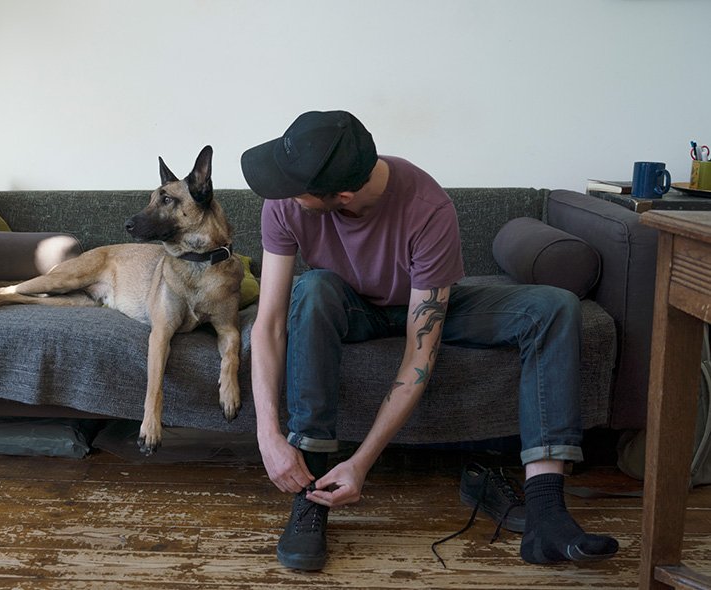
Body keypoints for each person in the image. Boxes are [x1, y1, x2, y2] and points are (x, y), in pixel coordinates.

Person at [239, 110, 619, 571]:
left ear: (341, 196)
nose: (284, 194)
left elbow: (419, 354)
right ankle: (312, 493)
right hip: (348, 306)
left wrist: (362, 463)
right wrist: (268, 434)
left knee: (555, 306)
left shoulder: (427, 208)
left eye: (297, 191)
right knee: (312, 289)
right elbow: (270, 321)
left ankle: (546, 512)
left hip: (420, 304)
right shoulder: (284, 202)